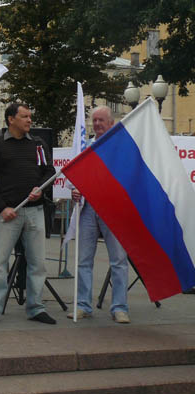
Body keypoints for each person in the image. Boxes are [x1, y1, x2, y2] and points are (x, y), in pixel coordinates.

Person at [0, 103, 56, 325]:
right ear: (11, 119)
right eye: (24, 116)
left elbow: (49, 171)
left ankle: (36, 307)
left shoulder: (38, 144)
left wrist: (40, 188)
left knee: (38, 263)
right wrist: (1, 207)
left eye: (30, 116)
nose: (29, 120)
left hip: (35, 212)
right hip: (8, 214)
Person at [68, 106, 130, 324]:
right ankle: (83, 305)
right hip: (87, 209)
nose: (97, 124)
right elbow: (71, 176)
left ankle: (120, 307)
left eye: (101, 120)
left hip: (112, 210)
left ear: (111, 123)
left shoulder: (122, 147)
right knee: (84, 260)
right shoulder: (84, 147)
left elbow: (128, 177)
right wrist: (74, 189)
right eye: (94, 120)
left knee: (119, 260)